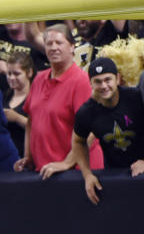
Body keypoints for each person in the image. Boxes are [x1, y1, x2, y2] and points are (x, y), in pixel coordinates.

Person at [40, 57, 144, 203]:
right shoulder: (87, 111)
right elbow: (78, 140)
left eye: (108, 79)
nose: (104, 85)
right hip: (114, 175)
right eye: (98, 81)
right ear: (90, 83)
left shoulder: (136, 97)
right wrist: (87, 174)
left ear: (118, 78)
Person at [16, 25, 100, 172]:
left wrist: (67, 162)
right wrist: (28, 156)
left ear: (72, 47)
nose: (53, 48)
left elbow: (92, 130)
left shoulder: (81, 81)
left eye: (59, 43)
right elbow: (31, 120)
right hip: (46, 171)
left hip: (77, 172)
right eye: (49, 43)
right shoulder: (39, 78)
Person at [2, 52, 34, 156]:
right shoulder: (5, 96)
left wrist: (17, 118)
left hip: (25, 155)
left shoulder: (35, 98)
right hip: (5, 157)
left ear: (29, 73)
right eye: (9, 73)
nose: (11, 78)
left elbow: (41, 127)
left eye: (17, 74)